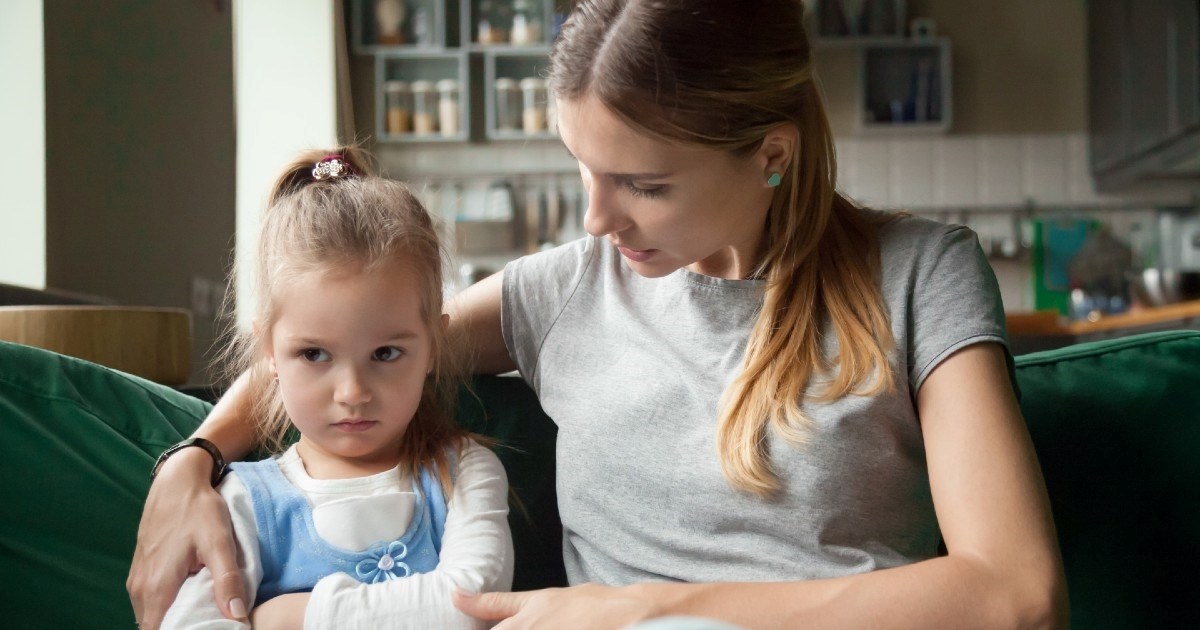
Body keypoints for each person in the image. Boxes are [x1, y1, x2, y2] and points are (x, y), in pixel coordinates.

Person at [129, 1, 1069, 628]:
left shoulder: (919, 274)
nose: (596, 219)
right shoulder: (567, 290)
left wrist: (649, 608)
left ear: (771, 156)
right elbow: (347, 348)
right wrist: (192, 460)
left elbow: (1018, 594)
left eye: (644, 185)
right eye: (584, 169)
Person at [153, 148, 513, 629]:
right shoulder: (244, 499)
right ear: (269, 352)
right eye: (314, 355)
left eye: (385, 353)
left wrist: (284, 620)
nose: (353, 392)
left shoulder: (464, 472)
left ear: (433, 346)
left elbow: (473, 605)